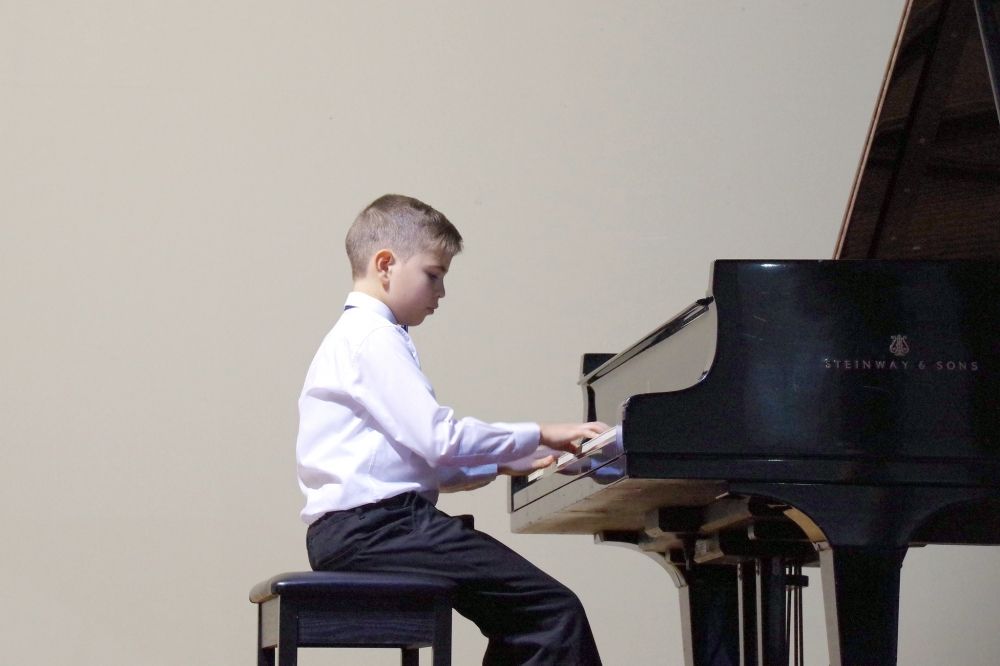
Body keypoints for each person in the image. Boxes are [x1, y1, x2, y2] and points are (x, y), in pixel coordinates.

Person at [296, 193, 607, 665]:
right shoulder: (373, 337)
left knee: (525, 616)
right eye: (433, 275)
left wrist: (503, 463)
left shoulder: (355, 337)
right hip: (380, 530)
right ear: (385, 264)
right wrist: (541, 432)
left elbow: (416, 464)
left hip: (360, 531)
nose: (441, 293)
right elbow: (439, 439)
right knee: (552, 610)